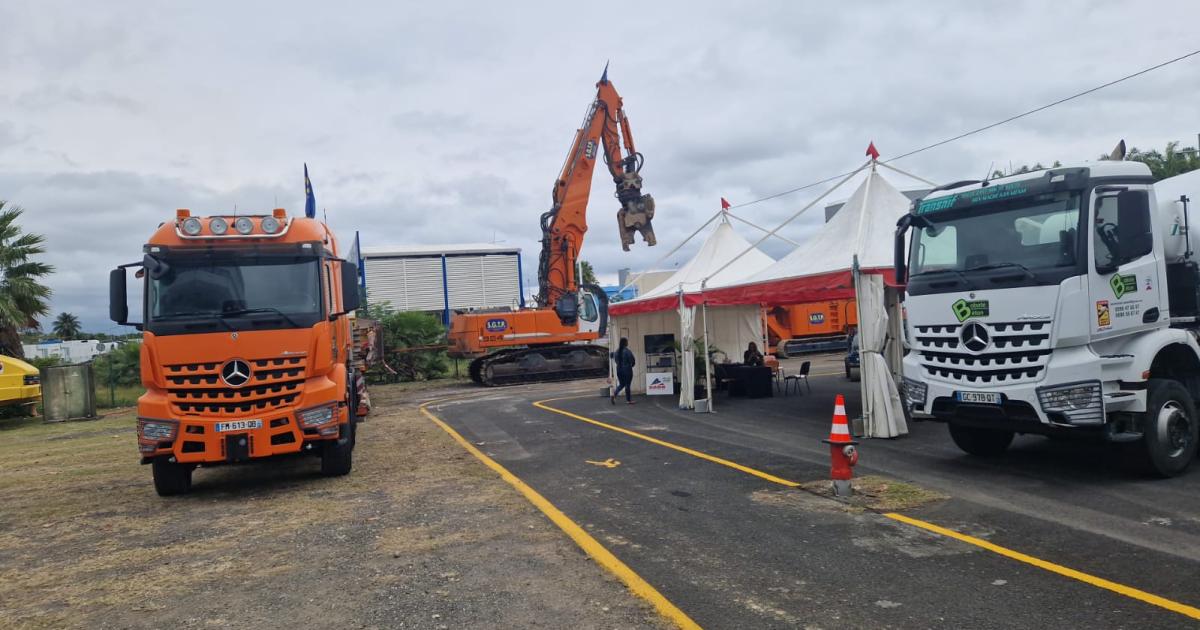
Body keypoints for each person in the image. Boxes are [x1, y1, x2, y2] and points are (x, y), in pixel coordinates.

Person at [611, 337, 636, 405]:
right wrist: (631, 365)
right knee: (627, 385)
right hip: (627, 370)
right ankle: (628, 400)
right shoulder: (627, 351)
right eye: (627, 342)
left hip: (619, 369)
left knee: (622, 384)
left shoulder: (617, 351)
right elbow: (632, 360)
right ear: (625, 343)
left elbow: (615, 360)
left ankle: (615, 394)